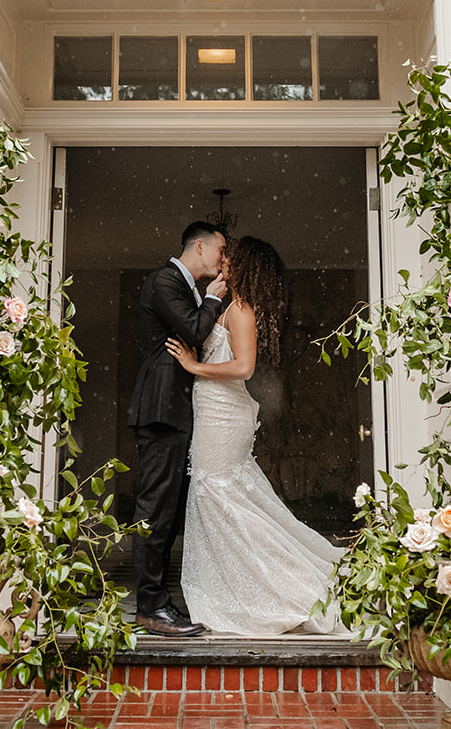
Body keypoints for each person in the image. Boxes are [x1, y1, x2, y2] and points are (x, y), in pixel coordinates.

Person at [165, 236, 346, 636]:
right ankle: (240, 588)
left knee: (219, 497)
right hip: (216, 413)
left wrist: (194, 368)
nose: (223, 261)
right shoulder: (233, 305)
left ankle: (285, 587)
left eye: (230, 258)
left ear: (244, 265)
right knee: (223, 498)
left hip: (224, 414)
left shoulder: (242, 310)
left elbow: (243, 367)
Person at [127, 221, 228, 638]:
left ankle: (159, 600)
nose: (223, 260)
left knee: (167, 512)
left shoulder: (182, 285)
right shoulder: (165, 280)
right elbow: (193, 331)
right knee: (155, 509)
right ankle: (150, 606)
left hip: (174, 411)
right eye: (220, 250)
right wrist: (211, 301)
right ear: (199, 246)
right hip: (160, 409)